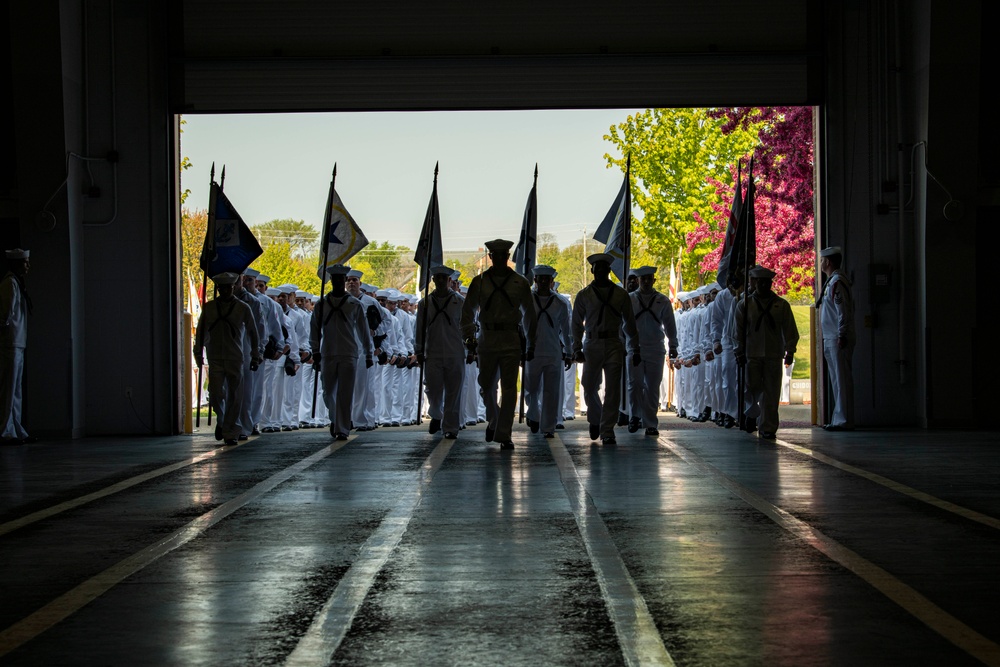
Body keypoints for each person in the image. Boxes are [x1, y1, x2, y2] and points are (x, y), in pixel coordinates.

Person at [461, 238, 537, 450]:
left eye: (503, 256)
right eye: (495, 256)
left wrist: (531, 344)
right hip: (487, 338)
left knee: (510, 388)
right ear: (491, 257)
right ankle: (494, 421)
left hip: (511, 338)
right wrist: (469, 338)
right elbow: (467, 313)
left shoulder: (520, 283)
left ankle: (504, 433)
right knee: (485, 385)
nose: (500, 259)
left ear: (508, 257)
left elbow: (530, 316)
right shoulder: (480, 282)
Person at [572, 253, 639, 445]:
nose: (600, 272)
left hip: (613, 343)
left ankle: (607, 429)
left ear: (609, 271)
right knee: (588, 385)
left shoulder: (620, 294)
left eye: (604, 269)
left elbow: (630, 324)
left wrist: (635, 348)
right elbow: (576, 324)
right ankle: (595, 418)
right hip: (592, 343)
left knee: (613, 389)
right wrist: (576, 347)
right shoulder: (584, 295)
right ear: (592, 271)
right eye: (597, 269)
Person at [193, 272, 262, 446]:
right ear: (217, 289)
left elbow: (254, 333)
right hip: (215, 357)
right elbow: (201, 332)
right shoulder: (209, 308)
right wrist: (197, 352)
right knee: (216, 394)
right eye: (221, 288)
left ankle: (231, 429)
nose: (225, 291)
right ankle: (222, 421)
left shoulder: (242, 307)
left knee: (236, 395)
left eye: (228, 287)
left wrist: (255, 355)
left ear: (233, 287)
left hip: (235, 357)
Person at [734, 265, 799, 440]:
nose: (763, 286)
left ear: (771, 283)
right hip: (751, 354)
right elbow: (737, 331)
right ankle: (751, 413)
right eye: (759, 282)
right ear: (755, 284)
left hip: (773, 354)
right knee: (751, 388)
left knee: (771, 392)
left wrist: (790, 351)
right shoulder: (745, 304)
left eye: (766, 282)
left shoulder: (781, 305)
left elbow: (790, 330)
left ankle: (767, 427)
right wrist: (738, 351)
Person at [310, 265, 373, 439]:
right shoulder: (322, 304)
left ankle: (342, 429)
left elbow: (363, 331)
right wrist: (315, 350)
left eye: (341, 279)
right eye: (335, 279)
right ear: (330, 280)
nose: (338, 282)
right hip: (328, 352)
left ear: (344, 281)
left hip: (348, 353)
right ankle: (335, 418)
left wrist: (368, 353)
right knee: (328, 391)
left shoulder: (354, 303)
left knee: (345, 393)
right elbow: (314, 329)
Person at [416, 265, 466, 438]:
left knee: (454, 392)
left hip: (455, 352)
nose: (441, 281)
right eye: (437, 278)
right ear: (433, 280)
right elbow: (419, 329)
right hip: (433, 352)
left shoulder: (460, 302)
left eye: (444, 278)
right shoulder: (425, 303)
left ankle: (451, 428)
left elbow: (468, 327)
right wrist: (419, 350)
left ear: (450, 280)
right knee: (433, 391)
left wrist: (470, 348)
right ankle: (436, 414)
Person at [523, 265, 573, 438]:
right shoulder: (526, 300)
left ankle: (548, 427)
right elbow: (520, 326)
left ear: (552, 282)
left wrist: (569, 352)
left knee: (551, 392)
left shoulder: (561, 303)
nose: (543, 282)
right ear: (535, 280)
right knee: (531, 389)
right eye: (540, 279)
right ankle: (534, 414)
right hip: (532, 351)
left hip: (553, 352)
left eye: (547, 279)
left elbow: (567, 331)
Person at [627, 266, 678, 436]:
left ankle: (650, 422)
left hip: (656, 348)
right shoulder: (629, 300)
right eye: (643, 279)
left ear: (654, 280)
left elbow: (670, 325)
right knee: (634, 385)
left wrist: (673, 346)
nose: (647, 282)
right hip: (635, 348)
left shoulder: (662, 300)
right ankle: (634, 416)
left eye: (650, 279)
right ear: (638, 281)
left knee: (652, 387)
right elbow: (623, 324)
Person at [819, 245, 856, 431]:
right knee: (836, 379)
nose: (821, 264)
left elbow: (843, 312)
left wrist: (842, 334)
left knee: (841, 380)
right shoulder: (832, 282)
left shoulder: (837, 283)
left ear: (828, 262)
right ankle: (838, 418)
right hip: (831, 336)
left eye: (822, 260)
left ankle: (844, 420)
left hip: (837, 336)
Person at [1, 249, 35, 444]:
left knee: (16, 391)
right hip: (10, 342)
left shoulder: (17, 284)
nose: (27, 266)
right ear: (15, 264)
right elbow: (5, 315)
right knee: (8, 389)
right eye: (25, 262)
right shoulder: (9, 285)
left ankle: (16, 428)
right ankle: (5, 430)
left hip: (18, 342)